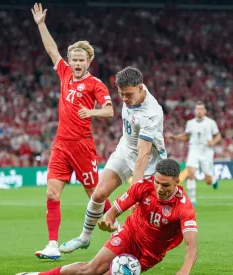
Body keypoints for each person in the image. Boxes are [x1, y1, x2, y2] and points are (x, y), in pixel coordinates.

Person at [31, 3, 115, 259]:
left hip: (82, 145)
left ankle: (119, 231)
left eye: (81, 60)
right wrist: (41, 24)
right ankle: (52, 246)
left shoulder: (95, 84)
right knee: (51, 192)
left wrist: (93, 113)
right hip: (61, 145)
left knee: (95, 194)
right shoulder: (65, 73)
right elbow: (51, 49)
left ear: (89, 61)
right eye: (74, 60)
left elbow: (110, 110)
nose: (76, 63)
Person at [16, 159, 198, 275]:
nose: (159, 188)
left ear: (176, 182)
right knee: (90, 270)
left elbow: (192, 247)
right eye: (157, 182)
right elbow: (115, 209)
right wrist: (109, 219)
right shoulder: (143, 186)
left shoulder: (184, 207)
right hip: (129, 235)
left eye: (165, 185)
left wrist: (184, 270)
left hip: (149, 254)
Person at [59, 66, 167, 253]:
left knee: (137, 211)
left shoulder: (151, 114)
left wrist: (135, 189)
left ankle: (130, 251)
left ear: (141, 88)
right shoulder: (133, 89)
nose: (124, 99)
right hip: (125, 151)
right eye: (121, 94)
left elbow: (143, 154)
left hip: (149, 162)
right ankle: (84, 238)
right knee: (99, 193)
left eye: (128, 94)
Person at [168, 102, 221, 205]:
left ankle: (213, 180)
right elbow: (186, 136)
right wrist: (175, 137)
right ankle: (192, 200)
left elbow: (218, 136)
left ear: (205, 111)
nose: (199, 111)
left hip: (206, 152)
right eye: (197, 109)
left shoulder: (211, 123)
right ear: (195, 111)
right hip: (194, 150)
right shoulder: (190, 123)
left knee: (208, 181)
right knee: (191, 172)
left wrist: (213, 142)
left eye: (201, 109)